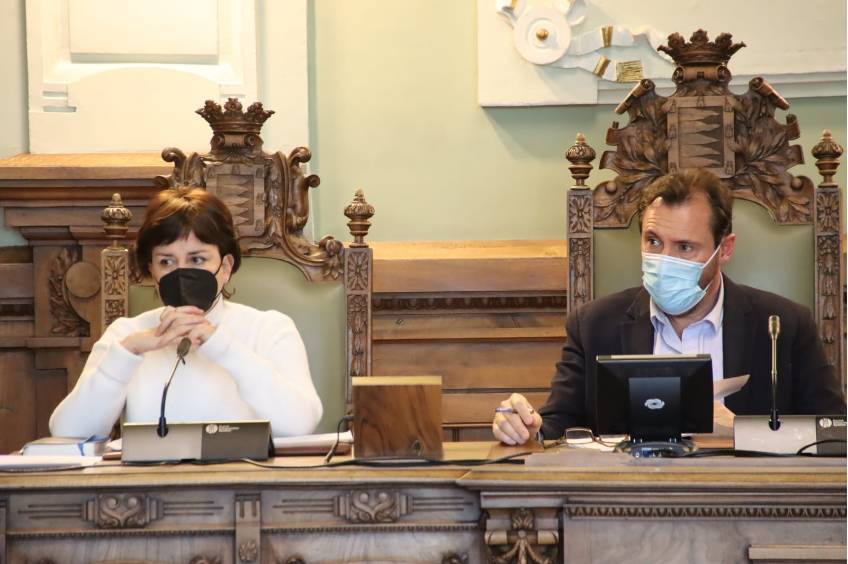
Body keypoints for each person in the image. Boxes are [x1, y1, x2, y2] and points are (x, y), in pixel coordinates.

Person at [493, 169, 846, 445]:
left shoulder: (785, 325)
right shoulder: (594, 325)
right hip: (628, 504)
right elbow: (558, 427)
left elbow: (835, 434)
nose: (664, 260)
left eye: (684, 247)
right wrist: (526, 428)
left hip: (747, 504)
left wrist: (741, 431)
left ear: (724, 249)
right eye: (653, 241)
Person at [50, 187, 323, 439]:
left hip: (246, 475)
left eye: (197, 259)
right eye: (167, 261)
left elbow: (300, 424)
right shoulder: (126, 334)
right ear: (151, 270)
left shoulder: (269, 328)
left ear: (225, 267)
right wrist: (127, 353)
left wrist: (221, 345)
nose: (181, 272)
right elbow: (68, 432)